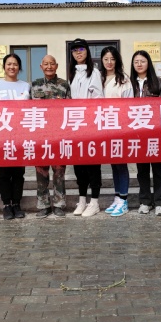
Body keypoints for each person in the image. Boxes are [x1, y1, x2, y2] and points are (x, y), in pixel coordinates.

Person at [0, 53, 31, 220]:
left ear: (19, 67)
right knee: (5, 173)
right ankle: (7, 204)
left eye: (15, 64)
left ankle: (17, 204)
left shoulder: (25, 86)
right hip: (3, 136)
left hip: (20, 136)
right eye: (9, 64)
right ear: (4, 66)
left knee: (19, 172)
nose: (12, 67)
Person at [30, 54, 71, 218]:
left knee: (59, 171)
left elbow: (70, 109)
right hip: (40, 135)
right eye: (45, 64)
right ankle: (43, 205)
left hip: (58, 135)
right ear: (41, 67)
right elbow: (27, 110)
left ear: (57, 66)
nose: (49, 67)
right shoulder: (34, 85)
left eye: (52, 64)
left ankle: (59, 204)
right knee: (41, 171)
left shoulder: (64, 85)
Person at [68, 38, 104, 217]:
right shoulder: (72, 73)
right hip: (76, 125)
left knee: (92, 164)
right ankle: (82, 200)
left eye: (81, 49)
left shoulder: (94, 72)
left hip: (90, 124)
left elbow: (98, 98)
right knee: (79, 165)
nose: (78, 52)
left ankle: (94, 202)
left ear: (87, 51)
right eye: (75, 50)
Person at [130, 50, 161, 216]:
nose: (139, 64)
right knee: (142, 170)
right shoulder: (128, 83)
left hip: (155, 133)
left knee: (158, 169)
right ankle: (145, 201)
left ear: (148, 63)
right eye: (136, 62)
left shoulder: (158, 82)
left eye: (142, 61)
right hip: (137, 133)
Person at [101, 46, 134, 217]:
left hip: (120, 128)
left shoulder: (124, 79)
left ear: (117, 61)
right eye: (106, 59)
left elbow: (129, 105)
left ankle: (124, 199)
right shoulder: (98, 78)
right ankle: (117, 197)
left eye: (112, 59)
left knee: (121, 163)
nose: (109, 62)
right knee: (114, 163)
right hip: (104, 127)